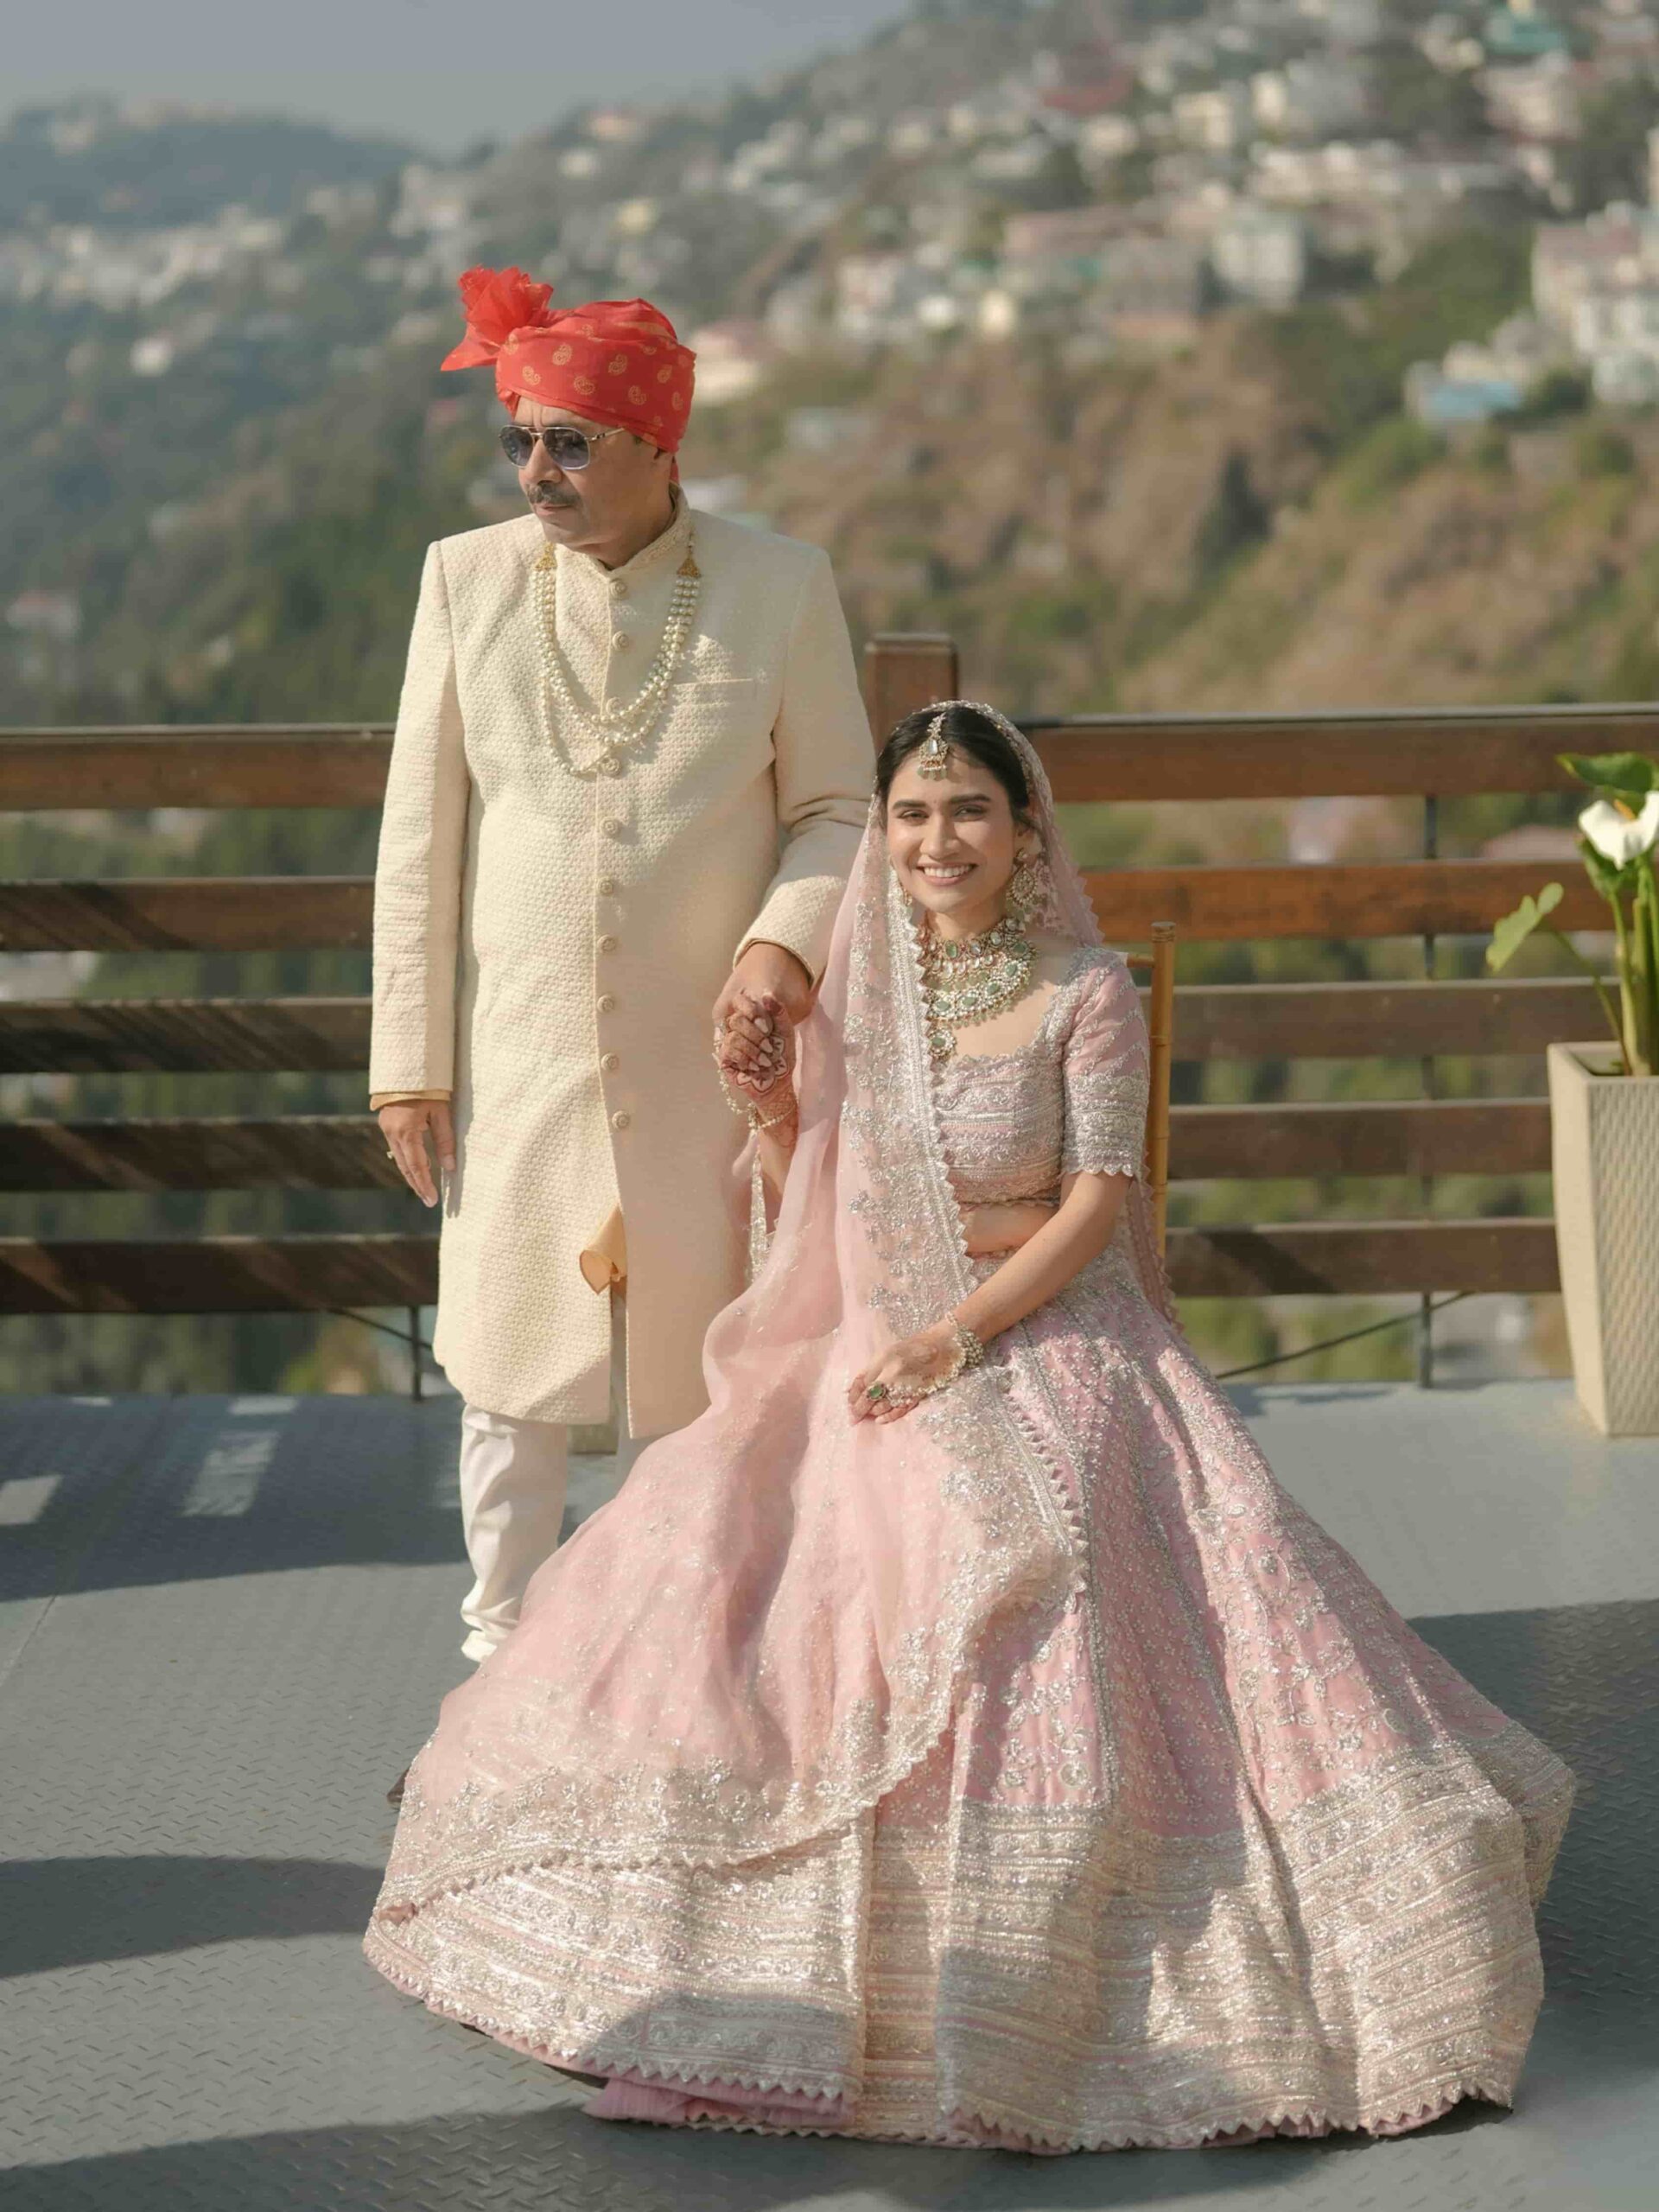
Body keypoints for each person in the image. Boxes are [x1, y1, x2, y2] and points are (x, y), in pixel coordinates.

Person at [365, 702, 1573, 2152]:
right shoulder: (857, 997)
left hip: (1053, 1330)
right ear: (885, 834)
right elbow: (822, 1201)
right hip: (873, 1328)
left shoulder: (1085, 989)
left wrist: (961, 1331)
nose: (939, 840)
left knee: (1061, 1535)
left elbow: (1097, 1202)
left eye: (969, 811)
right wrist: (773, 1117)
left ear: (1023, 828)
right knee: (744, 1538)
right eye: (912, 815)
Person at [370, 265, 872, 1668]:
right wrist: (407, 1067)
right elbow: (419, 841)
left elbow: (839, 806)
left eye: (570, 442)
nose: (537, 470)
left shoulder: (780, 585)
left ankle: (675, 1664)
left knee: (695, 1370)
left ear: (659, 447)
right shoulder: (464, 579)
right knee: (509, 1369)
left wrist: (780, 945)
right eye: (520, 439)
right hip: (519, 1052)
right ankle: (497, 1657)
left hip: (709, 1060)